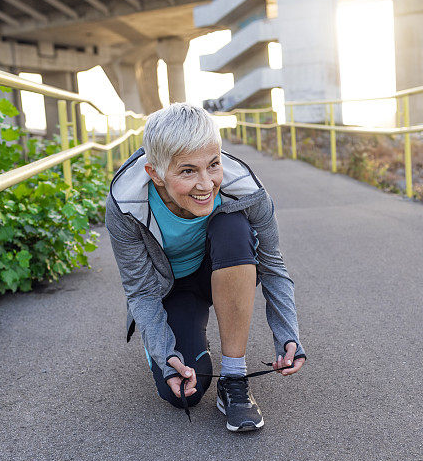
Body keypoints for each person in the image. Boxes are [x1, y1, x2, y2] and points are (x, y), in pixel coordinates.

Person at [105, 103, 305, 432]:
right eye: (187, 171)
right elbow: (140, 291)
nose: (206, 183)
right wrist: (164, 353)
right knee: (184, 395)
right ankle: (182, 338)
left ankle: (234, 379)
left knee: (234, 228)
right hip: (169, 288)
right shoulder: (124, 205)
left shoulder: (248, 191)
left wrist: (288, 335)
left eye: (213, 164)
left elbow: (273, 266)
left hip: (221, 267)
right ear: (154, 173)